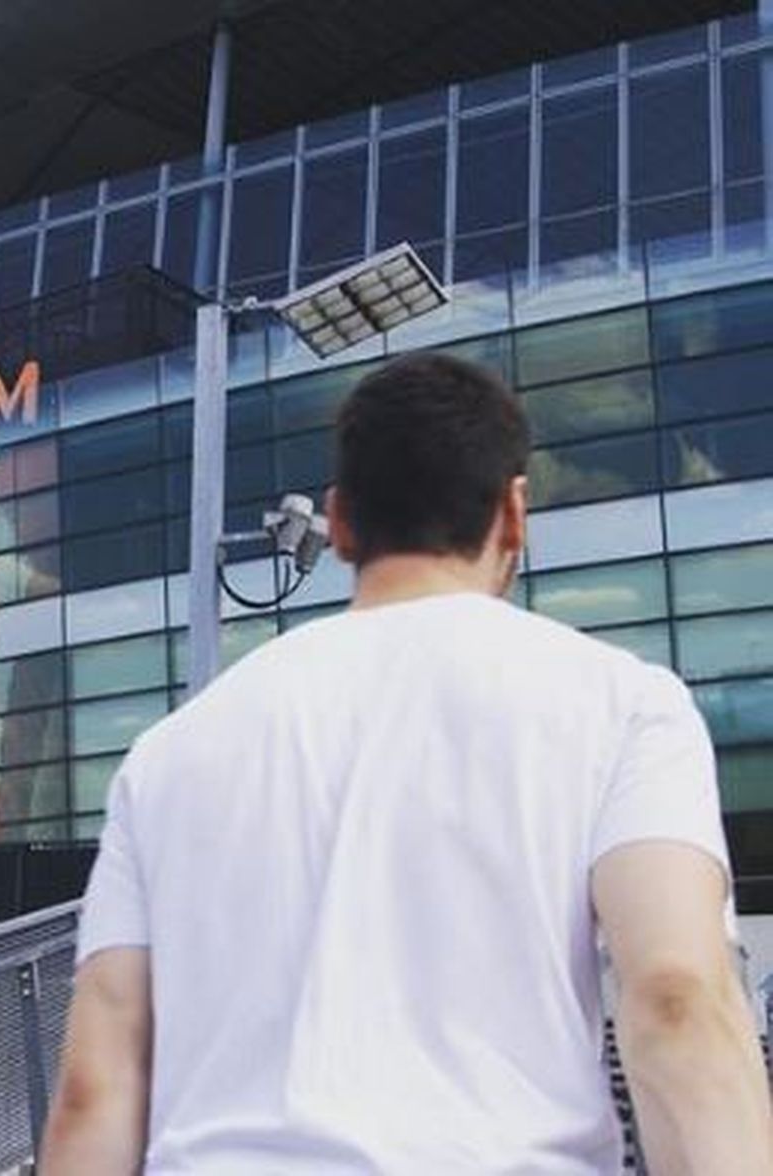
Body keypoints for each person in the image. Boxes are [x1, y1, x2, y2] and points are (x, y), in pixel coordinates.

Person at [42, 353, 773, 1173]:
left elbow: (95, 1089)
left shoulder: (166, 757)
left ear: (341, 522)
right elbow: (677, 1000)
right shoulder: (623, 705)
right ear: (515, 513)